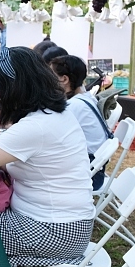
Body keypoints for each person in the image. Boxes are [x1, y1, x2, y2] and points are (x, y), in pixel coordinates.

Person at [0, 47, 94, 267]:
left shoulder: (36, 126)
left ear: (12, 89)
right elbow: (35, 160)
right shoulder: (53, 114)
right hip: (67, 224)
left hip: (54, 231)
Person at [51, 55, 112, 190]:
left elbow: (52, 135)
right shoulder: (85, 98)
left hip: (88, 176)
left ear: (64, 79)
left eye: (51, 76)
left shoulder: (74, 106)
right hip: (93, 168)